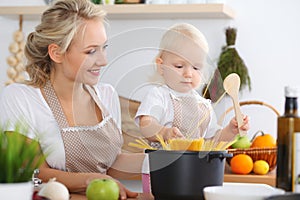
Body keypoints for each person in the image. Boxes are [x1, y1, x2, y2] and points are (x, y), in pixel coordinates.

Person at [0, 0, 145, 199]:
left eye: (104, 48)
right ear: (56, 53)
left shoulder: (106, 95)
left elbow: (109, 165)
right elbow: (34, 173)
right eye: (91, 51)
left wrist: (169, 158)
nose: (103, 60)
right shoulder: (21, 97)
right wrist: (90, 181)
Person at [135, 23, 249, 147]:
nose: (188, 73)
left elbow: (213, 141)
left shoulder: (203, 105)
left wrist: (230, 131)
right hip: (162, 164)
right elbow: (146, 124)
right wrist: (164, 133)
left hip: (196, 165)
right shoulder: (158, 95)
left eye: (196, 67)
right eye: (179, 66)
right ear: (161, 66)